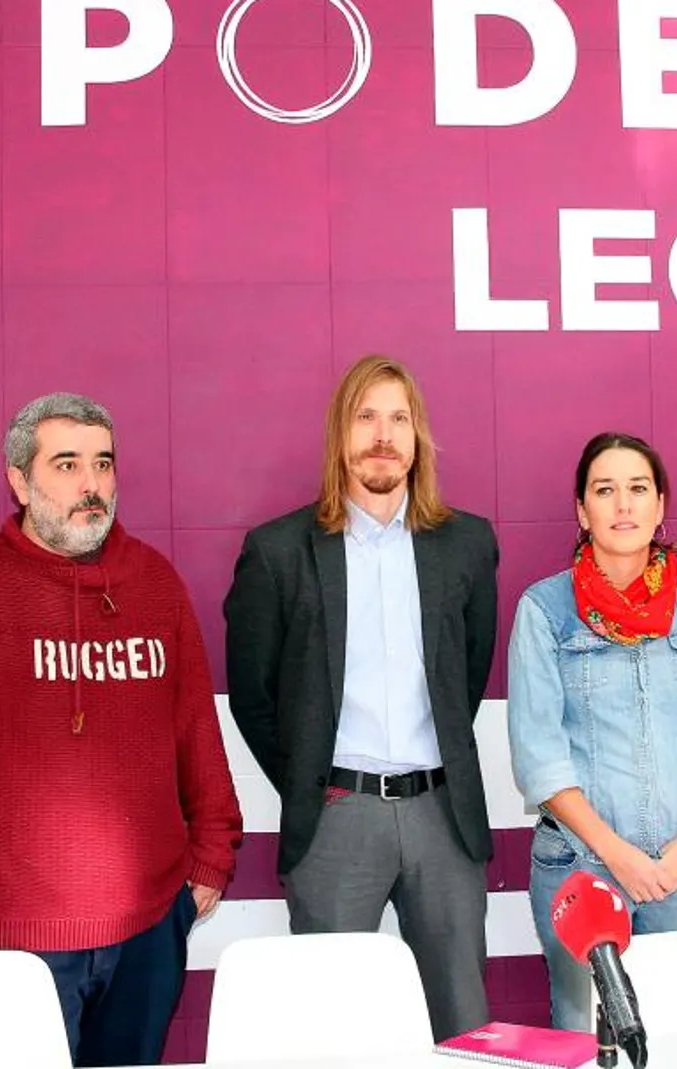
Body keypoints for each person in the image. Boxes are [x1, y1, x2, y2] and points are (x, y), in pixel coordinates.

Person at [0, 393, 242, 1067]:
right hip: (14, 932)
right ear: (19, 480)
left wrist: (214, 849)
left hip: (148, 925)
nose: (91, 485)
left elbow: (195, 721)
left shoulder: (155, 582)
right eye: (68, 464)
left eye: (103, 464)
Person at [224, 355, 499, 1040]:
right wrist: (314, 783)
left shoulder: (467, 544)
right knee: (335, 1028)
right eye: (366, 416)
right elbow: (254, 697)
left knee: (462, 1024)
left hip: (444, 818)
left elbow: (467, 674)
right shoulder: (279, 551)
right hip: (336, 820)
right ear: (339, 435)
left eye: (399, 417)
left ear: (419, 435)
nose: (384, 434)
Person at [507, 431, 677, 1030]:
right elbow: (540, 757)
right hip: (580, 863)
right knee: (587, 1031)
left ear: (660, 506)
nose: (622, 505)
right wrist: (620, 856)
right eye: (605, 490)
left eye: (638, 489)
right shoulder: (544, 610)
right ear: (581, 511)